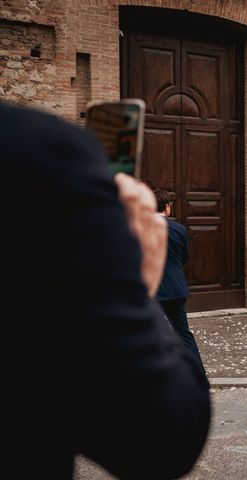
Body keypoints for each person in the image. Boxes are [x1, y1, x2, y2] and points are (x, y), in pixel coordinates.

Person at [2, 101, 210, 479]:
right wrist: (134, 278)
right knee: (181, 331)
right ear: (170, 207)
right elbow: (163, 442)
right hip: (172, 291)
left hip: (166, 291)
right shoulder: (37, 146)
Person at [154, 188, 206, 374]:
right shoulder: (179, 229)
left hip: (152, 292)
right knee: (183, 334)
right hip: (176, 289)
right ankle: (197, 374)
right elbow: (184, 256)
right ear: (167, 208)